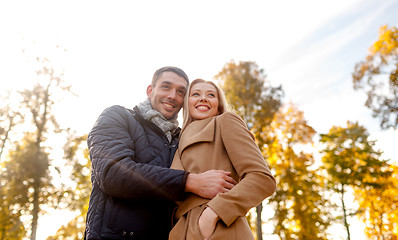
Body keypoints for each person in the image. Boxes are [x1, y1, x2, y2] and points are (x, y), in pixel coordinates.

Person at [84, 67, 237, 240]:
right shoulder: (119, 117)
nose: (173, 96)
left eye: (181, 92)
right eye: (166, 87)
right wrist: (190, 181)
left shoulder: (183, 139)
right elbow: (113, 173)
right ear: (150, 90)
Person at [169, 79, 277, 240]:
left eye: (211, 95)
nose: (203, 98)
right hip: (182, 230)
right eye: (196, 94)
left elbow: (262, 179)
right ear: (186, 103)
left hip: (220, 228)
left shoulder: (225, 121)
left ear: (219, 104)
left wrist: (213, 214)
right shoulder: (177, 140)